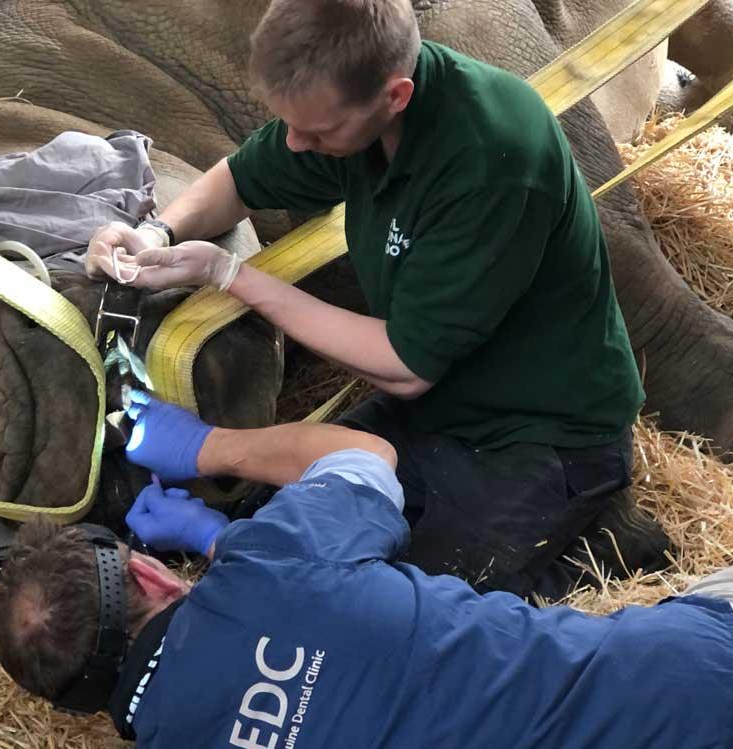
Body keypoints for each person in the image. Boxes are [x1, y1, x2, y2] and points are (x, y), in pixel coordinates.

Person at [82, 0, 669, 599]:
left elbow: (404, 368)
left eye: (317, 131)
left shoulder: (492, 156)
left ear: (396, 96)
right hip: (436, 405)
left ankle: (596, 530)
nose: (296, 143)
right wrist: (158, 232)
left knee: (387, 599)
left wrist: (232, 274)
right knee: (276, 522)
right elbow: (241, 178)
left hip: (540, 431)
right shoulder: (347, 110)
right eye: (288, 123)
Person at [0, 391, 733, 748]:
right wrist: (209, 449)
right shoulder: (273, 561)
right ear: (151, 577)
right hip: (692, 686)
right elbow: (364, 459)